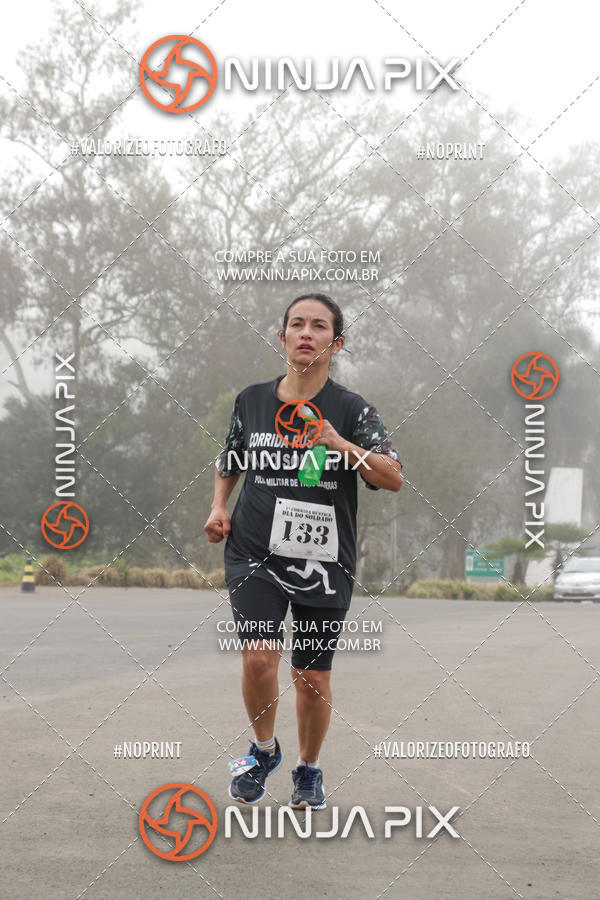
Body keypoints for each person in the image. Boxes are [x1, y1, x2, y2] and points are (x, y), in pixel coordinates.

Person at [204, 292, 402, 809]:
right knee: (257, 659)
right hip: (254, 550)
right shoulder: (251, 400)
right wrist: (219, 506)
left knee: (310, 676)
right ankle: (263, 750)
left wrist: (340, 443)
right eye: (297, 324)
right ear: (283, 336)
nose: (306, 333)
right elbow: (230, 457)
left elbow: (393, 477)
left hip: (324, 560)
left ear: (336, 343)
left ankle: (309, 770)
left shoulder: (353, 410)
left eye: (318, 326)